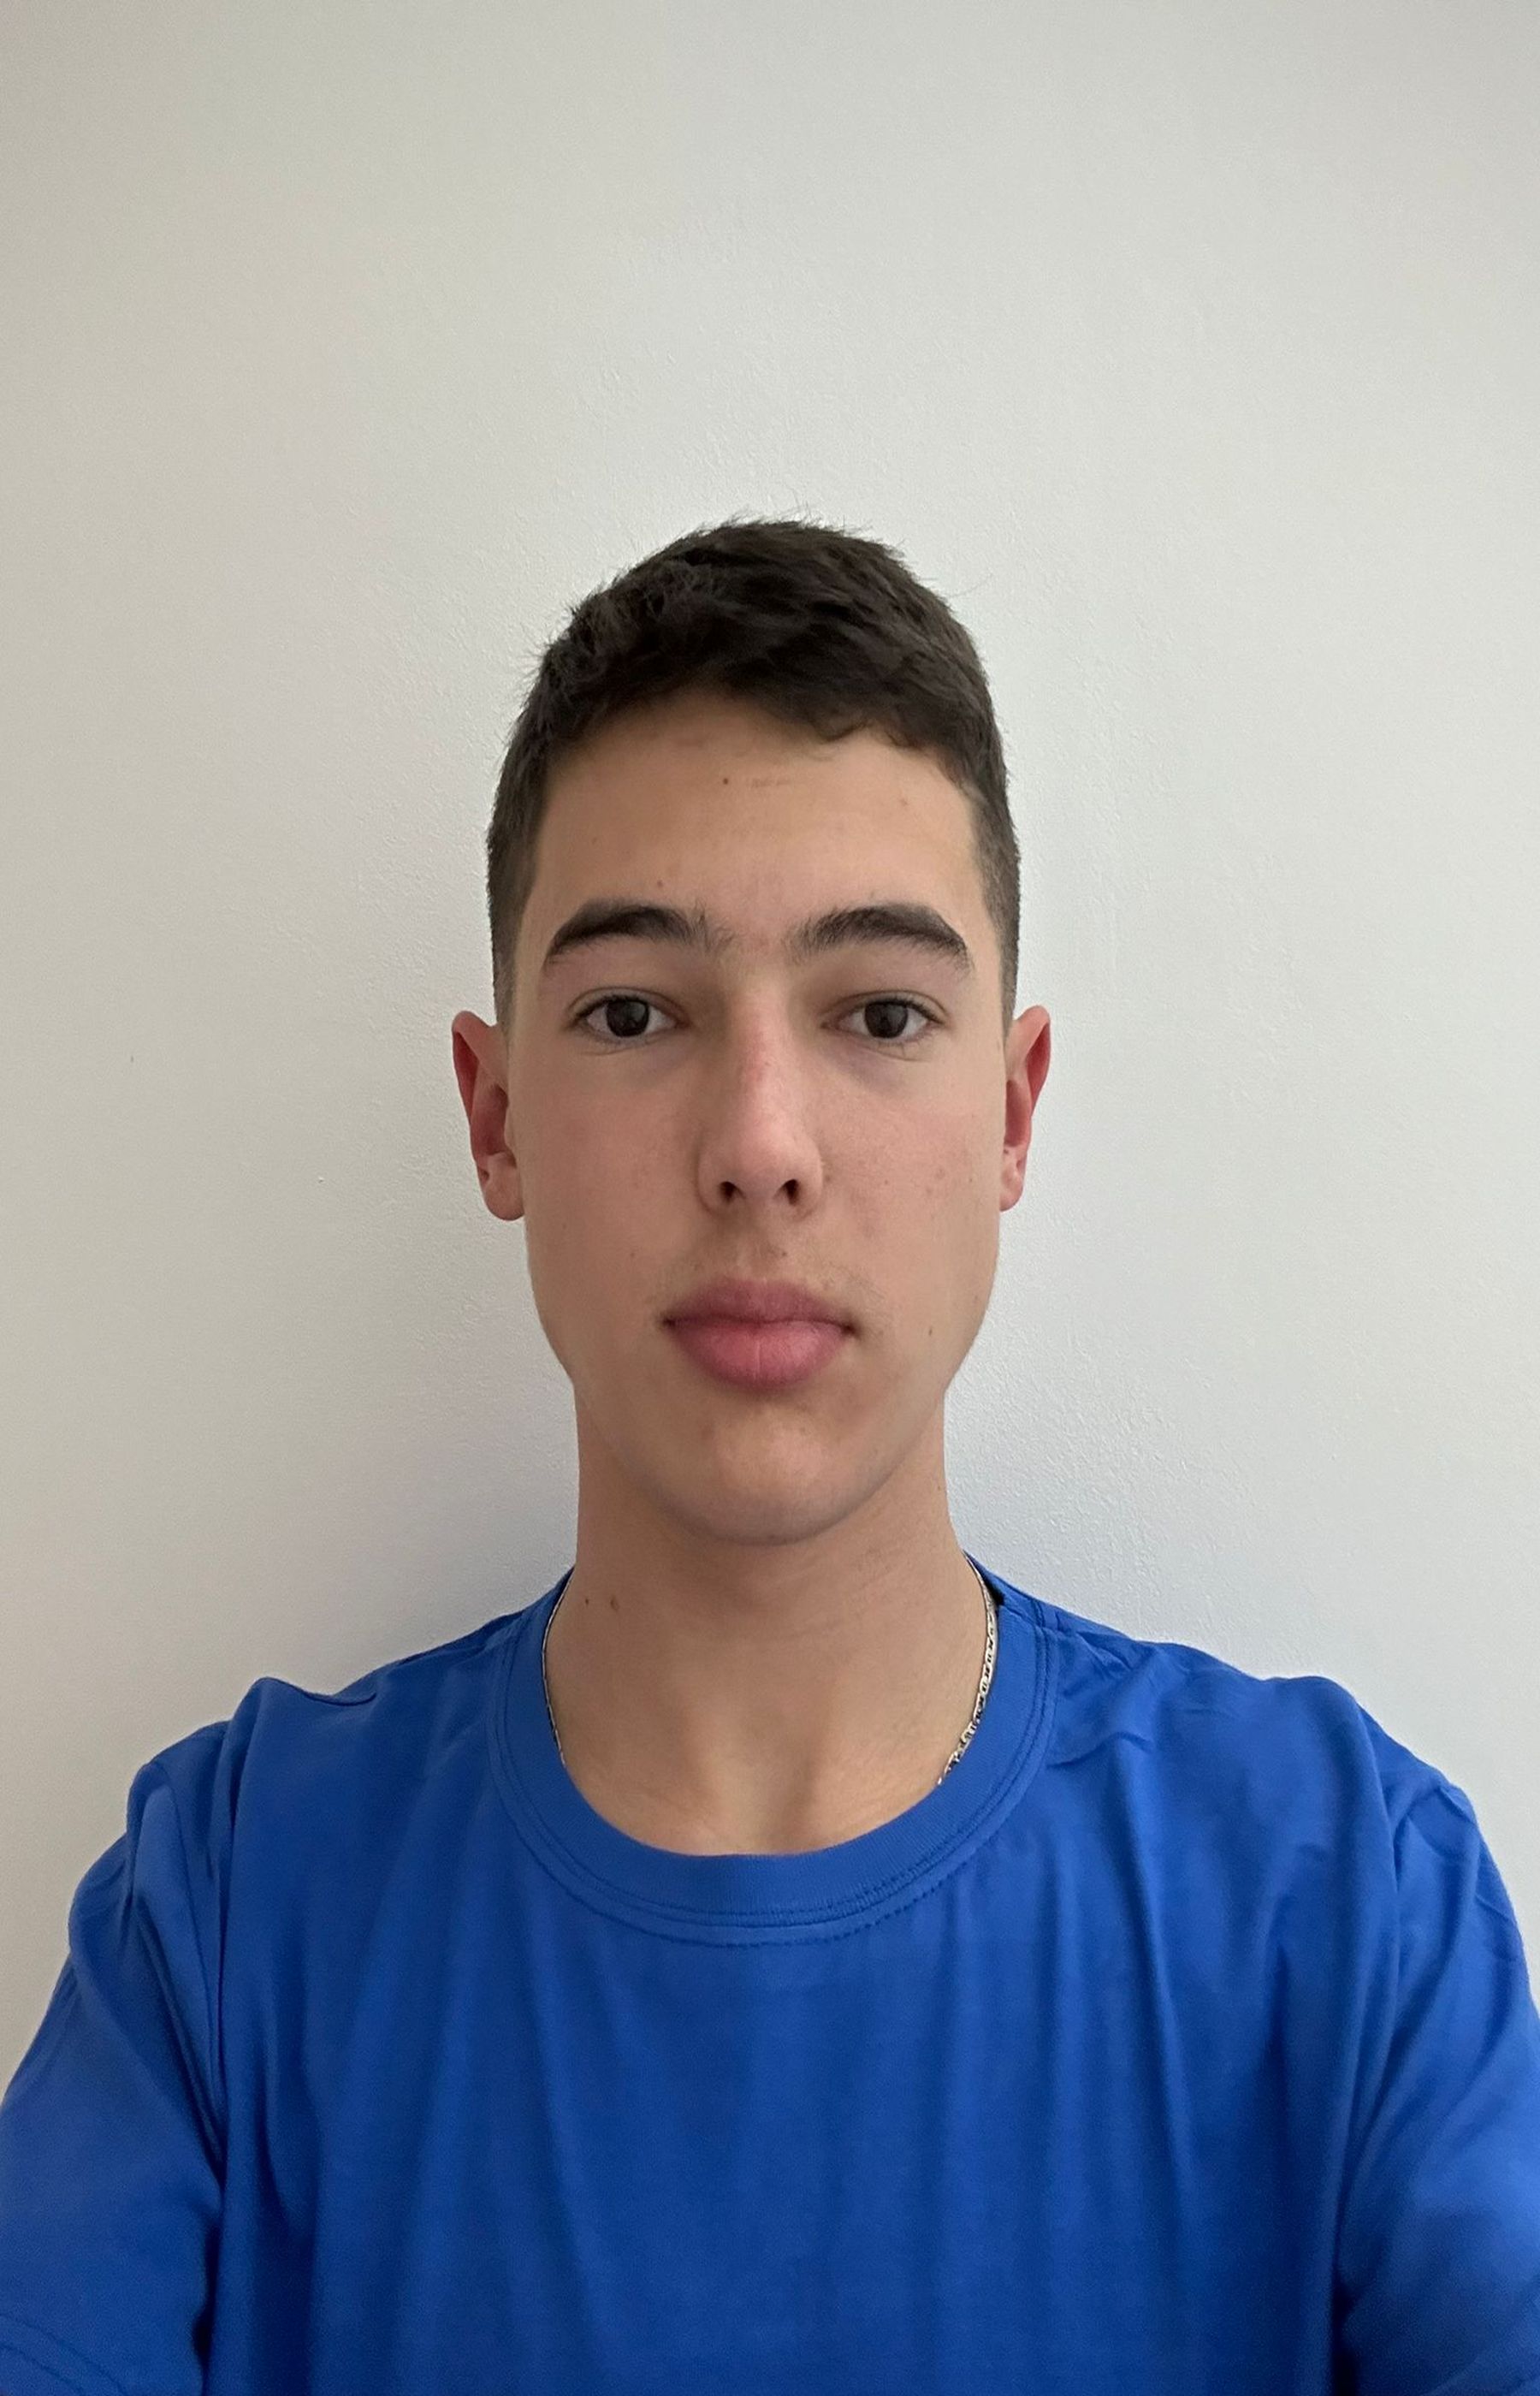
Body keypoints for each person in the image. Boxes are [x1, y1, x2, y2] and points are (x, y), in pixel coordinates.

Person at [1, 515, 1537, 2395]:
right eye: (633, 1013)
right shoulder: (230, 1910)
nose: (759, 1144)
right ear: (495, 1115)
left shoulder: (1348, 1901)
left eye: (880, 1012)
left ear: (1012, 1112)